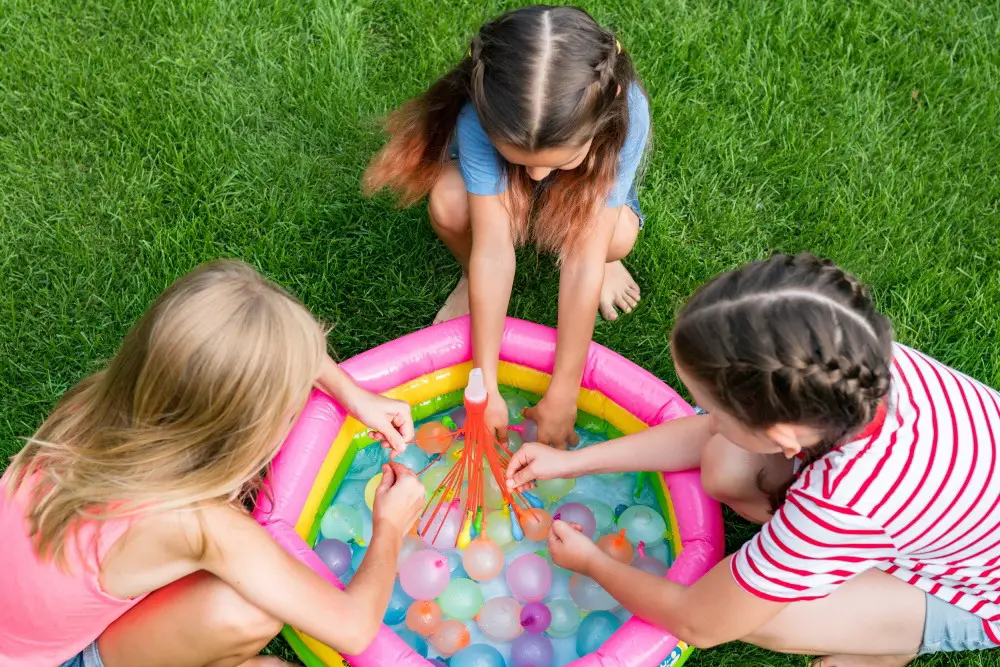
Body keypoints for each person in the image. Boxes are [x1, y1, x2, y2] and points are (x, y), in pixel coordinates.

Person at [507, 253, 1000, 666]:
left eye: (717, 411)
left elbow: (697, 622)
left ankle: (889, 641)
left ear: (785, 434)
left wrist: (591, 563)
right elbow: (707, 436)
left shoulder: (840, 504)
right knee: (723, 463)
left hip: (975, 591)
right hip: (944, 511)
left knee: (760, 614)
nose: (707, 418)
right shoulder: (851, 358)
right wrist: (571, 462)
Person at [0, 260, 426, 667]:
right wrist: (390, 524)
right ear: (246, 431)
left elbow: (235, 356)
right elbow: (352, 627)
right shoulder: (198, 524)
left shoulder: (93, 406)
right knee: (248, 610)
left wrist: (351, 394)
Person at [365, 5, 651, 448]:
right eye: (521, 162)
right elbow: (495, 252)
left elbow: (580, 262)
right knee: (448, 204)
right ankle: (466, 277)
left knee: (614, 240)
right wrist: (485, 384)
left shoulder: (623, 112)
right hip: (499, 195)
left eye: (558, 162)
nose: (538, 178)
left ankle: (608, 260)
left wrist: (564, 392)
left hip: (585, 197)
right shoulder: (480, 116)